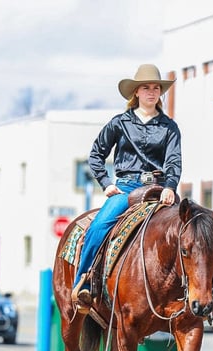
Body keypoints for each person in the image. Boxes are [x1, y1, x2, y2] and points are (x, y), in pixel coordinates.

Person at [72, 64, 182, 312]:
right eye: (146, 88)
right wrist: (106, 183)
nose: (152, 92)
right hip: (126, 188)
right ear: (136, 92)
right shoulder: (119, 123)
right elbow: (96, 154)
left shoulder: (169, 127)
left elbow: (174, 161)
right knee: (99, 225)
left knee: (192, 227)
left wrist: (170, 186)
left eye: (156, 88)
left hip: (159, 188)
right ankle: (84, 283)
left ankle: (198, 292)